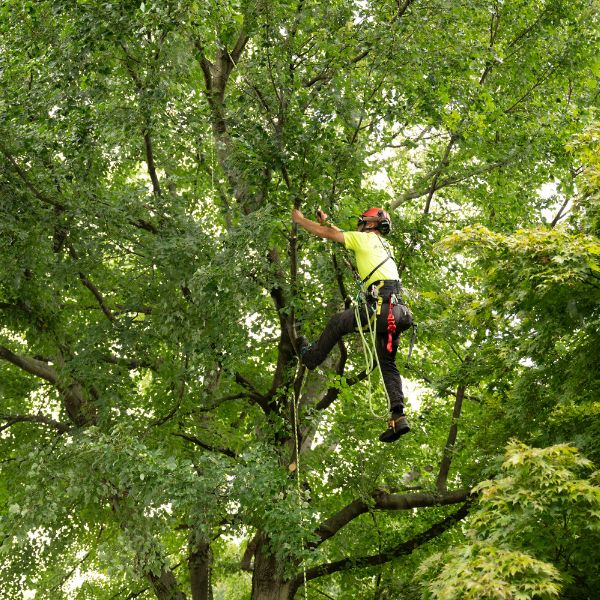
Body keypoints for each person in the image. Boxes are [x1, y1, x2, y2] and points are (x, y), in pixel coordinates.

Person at [291, 206, 413, 442]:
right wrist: (329, 222)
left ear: (369, 225)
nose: (359, 224)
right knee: (388, 364)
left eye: (362, 222)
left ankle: (311, 358)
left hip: (378, 310)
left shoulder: (364, 240)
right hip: (396, 312)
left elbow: (328, 235)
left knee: (338, 321)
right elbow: (342, 236)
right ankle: (398, 417)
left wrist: (300, 220)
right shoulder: (384, 246)